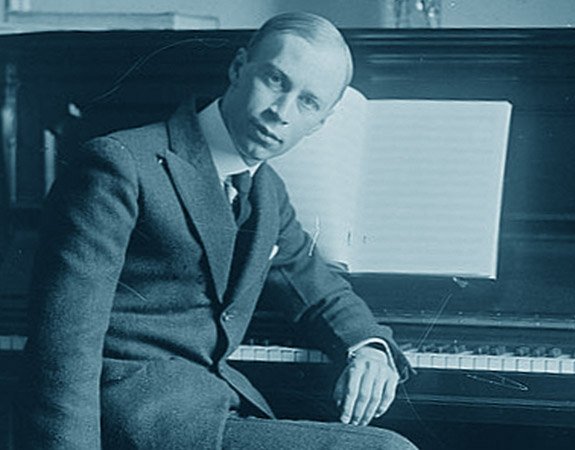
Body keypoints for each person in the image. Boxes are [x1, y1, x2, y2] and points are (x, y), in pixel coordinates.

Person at [18, 12, 417, 450]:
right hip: (130, 418)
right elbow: (64, 345)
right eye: (275, 80)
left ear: (321, 122)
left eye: (308, 102)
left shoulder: (266, 191)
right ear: (238, 67)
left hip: (210, 405)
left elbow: (317, 289)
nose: (281, 113)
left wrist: (368, 346)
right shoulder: (121, 163)